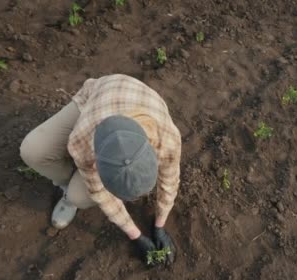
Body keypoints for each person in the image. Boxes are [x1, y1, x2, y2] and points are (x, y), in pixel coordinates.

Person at [20, 74, 181, 265]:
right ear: (96, 164)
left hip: (129, 96)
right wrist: (136, 236)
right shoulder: (81, 142)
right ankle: (66, 185)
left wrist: (160, 225)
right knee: (39, 157)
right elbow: (101, 195)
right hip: (94, 100)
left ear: (154, 155)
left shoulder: (168, 139)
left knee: (80, 190)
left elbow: (169, 183)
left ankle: (76, 181)